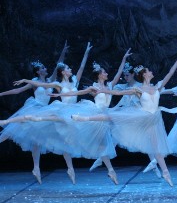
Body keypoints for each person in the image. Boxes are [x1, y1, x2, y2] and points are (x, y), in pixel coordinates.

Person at [71, 49, 177, 187]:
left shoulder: (157, 86)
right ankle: (84, 118)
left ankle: (166, 173)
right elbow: (118, 92)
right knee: (112, 116)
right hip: (141, 116)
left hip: (154, 120)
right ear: (145, 74)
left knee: (157, 149)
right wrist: (104, 90)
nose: (152, 72)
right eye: (149, 71)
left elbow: (170, 73)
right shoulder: (138, 90)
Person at [9, 42, 92, 184]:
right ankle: (40, 167)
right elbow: (41, 84)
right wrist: (25, 80)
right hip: (58, 112)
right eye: (68, 68)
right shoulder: (57, 84)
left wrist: (86, 52)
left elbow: (81, 67)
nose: (70, 69)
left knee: (68, 139)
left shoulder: (75, 82)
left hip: (72, 112)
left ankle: (70, 168)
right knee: (37, 136)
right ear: (63, 72)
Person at [49, 48, 133, 184]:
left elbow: (118, 73)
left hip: (106, 116)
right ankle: (101, 168)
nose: (106, 73)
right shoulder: (94, 87)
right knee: (92, 142)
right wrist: (59, 95)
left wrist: (124, 58)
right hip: (95, 115)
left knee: (104, 144)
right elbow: (77, 93)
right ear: (100, 75)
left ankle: (110, 170)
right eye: (104, 72)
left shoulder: (110, 85)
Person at [0, 41, 68, 184]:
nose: (45, 68)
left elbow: (59, 65)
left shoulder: (50, 80)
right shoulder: (34, 81)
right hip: (34, 107)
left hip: (44, 111)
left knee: (37, 140)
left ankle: (36, 168)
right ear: (38, 71)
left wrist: (63, 51)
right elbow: (17, 91)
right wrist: (1, 94)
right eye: (43, 67)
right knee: (13, 129)